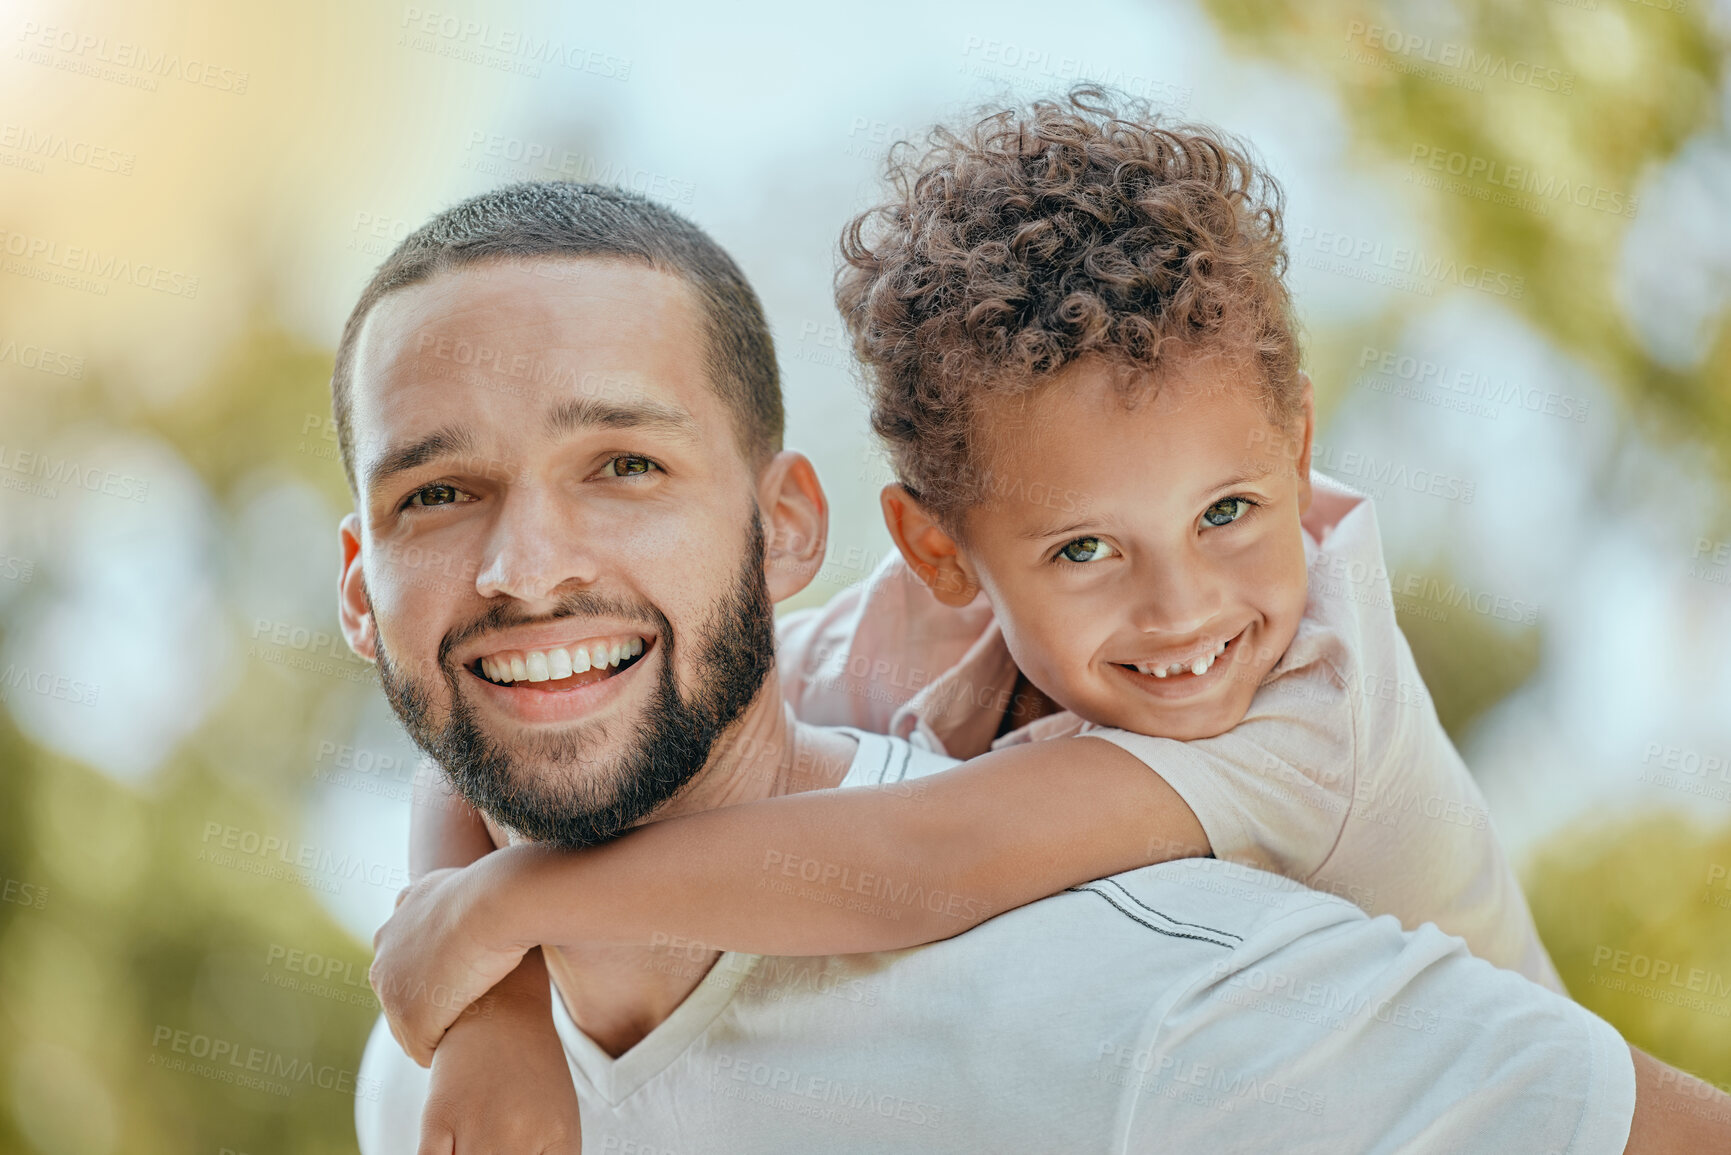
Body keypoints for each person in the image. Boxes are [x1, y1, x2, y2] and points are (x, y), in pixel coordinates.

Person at [335, 179, 1729, 1152]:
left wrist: (502, 910)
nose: (527, 569)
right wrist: (490, 978)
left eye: (624, 465)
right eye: (439, 494)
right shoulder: (429, 1085)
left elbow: (923, 868)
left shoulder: (1171, 969)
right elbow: (504, 725)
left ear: (784, 531)